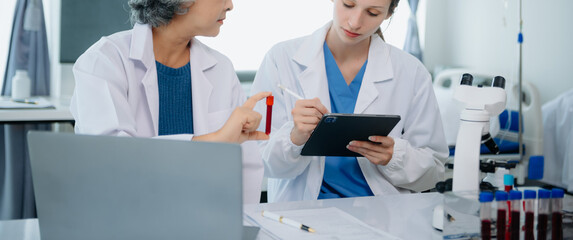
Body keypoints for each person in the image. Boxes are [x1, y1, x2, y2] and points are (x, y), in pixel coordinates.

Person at [70, 0, 271, 204]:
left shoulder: (221, 68)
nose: (230, 5)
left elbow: (245, 168)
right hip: (125, 218)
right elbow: (113, 160)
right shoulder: (104, 60)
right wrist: (216, 141)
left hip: (204, 222)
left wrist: (237, 227)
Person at [250, 0, 449, 202]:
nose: (355, 23)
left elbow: (434, 171)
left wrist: (395, 157)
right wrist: (294, 137)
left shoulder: (411, 72)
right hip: (303, 214)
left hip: (383, 213)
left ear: (389, 14)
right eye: (348, 4)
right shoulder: (281, 59)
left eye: (372, 13)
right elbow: (260, 161)